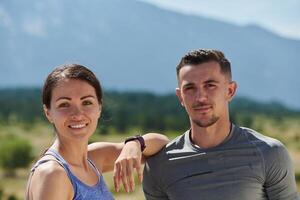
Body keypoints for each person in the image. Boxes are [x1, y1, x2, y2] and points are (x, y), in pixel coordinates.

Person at [143, 49, 300, 200]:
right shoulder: (159, 166)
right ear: (180, 97)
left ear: (230, 90)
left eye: (210, 85)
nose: (200, 97)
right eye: (190, 88)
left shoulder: (269, 153)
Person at [26, 64, 169, 200]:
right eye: (64, 104)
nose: (77, 114)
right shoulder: (53, 174)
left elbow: (163, 144)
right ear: (48, 113)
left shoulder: (93, 158)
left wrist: (134, 143)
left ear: (99, 108)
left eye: (87, 102)